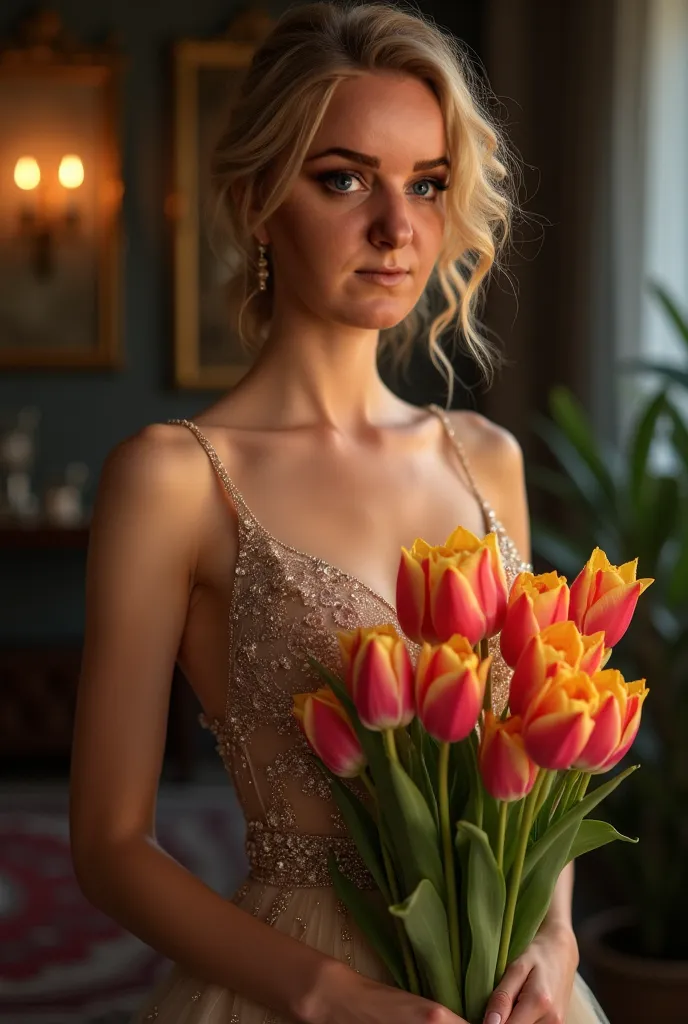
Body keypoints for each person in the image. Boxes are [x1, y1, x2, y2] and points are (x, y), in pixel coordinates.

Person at [69, 3, 611, 1022]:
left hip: (506, 990)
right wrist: (328, 995)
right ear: (259, 198)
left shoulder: (484, 457)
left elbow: (530, 754)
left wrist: (551, 933)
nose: (396, 228)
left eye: (428, 184)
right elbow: (106, 845)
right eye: (345, 177)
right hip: (295, 985)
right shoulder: (174, 477)